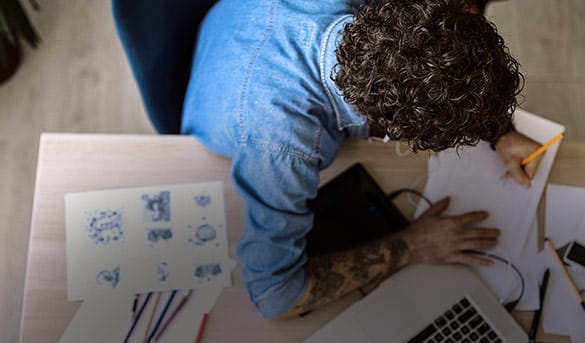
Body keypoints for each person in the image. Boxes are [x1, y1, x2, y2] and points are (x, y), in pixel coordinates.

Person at [181, 0, 542, 320]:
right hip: (219, 104)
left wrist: (500, 130)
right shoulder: (283, 146)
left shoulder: (399, 15)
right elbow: (275, 296)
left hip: (235, 25)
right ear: (390, 134)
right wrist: (411, 246)